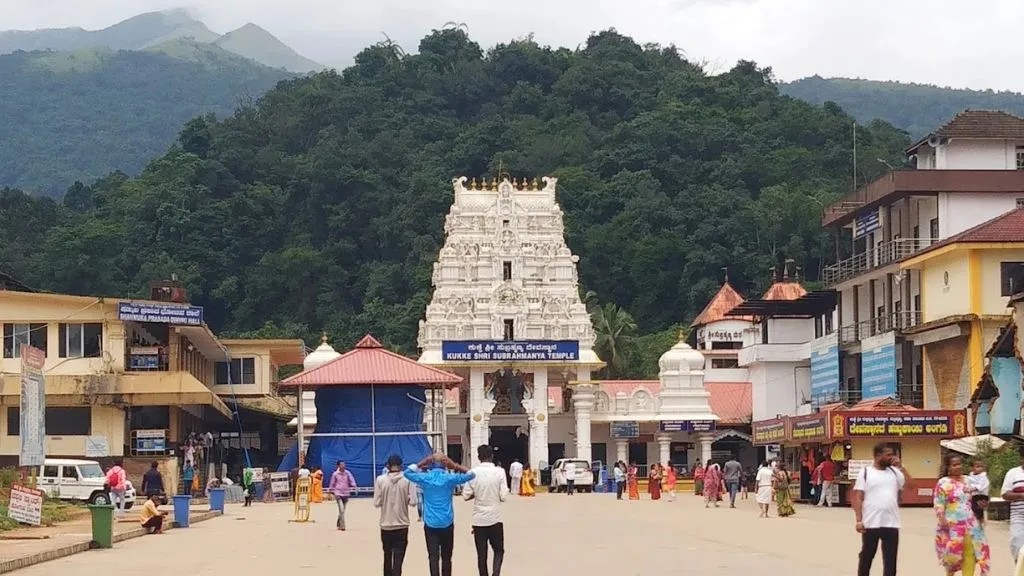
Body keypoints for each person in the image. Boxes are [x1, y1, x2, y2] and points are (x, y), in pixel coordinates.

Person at [405, 453, 475, 576]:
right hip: (446, 522)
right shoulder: (449, 478)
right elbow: (471, 474)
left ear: (431, 464)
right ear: (445, 465)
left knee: (433, 557)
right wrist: (454, 465)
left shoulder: (425, 478)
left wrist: (422, 462)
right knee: (447, 557)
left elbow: (407, 473)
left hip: (430, 523)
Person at [852, 443, 910, 576]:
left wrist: (902, 468)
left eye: (893, 454)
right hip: (871, 523)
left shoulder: (895, 472)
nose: (892, 457)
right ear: (878, 456)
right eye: (888, 455)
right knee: (867, 556)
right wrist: (859, 520)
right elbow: (858, 497)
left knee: (890, 560)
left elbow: (911, 486)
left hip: (891, 523)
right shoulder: (866, 472)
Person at [934, 453, 990, 575]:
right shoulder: (943, 483)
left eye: (959, 464)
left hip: (971, 524)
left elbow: (979, 497)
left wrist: (983, 505)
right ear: (948, 467)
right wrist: (942, 519)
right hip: (951, 525)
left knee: (970, 553)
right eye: (954, 465)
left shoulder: (969, 480)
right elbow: (939, 503)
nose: (958, 467)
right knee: (952, 557)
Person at [465, 445, 510, 576]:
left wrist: (477, 494)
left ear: (478, 457)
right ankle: (496, 573)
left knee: (481, 554)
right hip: (495, 518)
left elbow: (466, 495)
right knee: (498, 550)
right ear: (492, 456)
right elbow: (503, 496)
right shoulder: (500, 472)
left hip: (479, 520)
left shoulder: (472, 473)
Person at [374, 454, 416, 576]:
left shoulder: (380, 480)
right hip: (402, 524)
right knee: (398, 557)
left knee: (387, 555)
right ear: (401, 466)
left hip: (386, 524)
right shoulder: (408, 480)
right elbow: (413, 502)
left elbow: (376, 503)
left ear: (388, 466)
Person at [1000, 444, 1024, 563]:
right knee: (1017, 545)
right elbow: (1005, 494)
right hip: (1018, 517)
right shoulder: (1013, 473)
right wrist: (1021, 496)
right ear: (1022, 458)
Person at [330, 460, 357, 530]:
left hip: (346, 493)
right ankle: (342, 526)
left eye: (344, 464)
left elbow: (352, 480)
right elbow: (332, 483)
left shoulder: (347, 473)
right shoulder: (335, 474)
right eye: (341, 465)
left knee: (342, 511)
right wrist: (331, 491)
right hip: (338, 493)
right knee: (341, 510)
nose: (343, 466)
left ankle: (338, 523)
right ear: (338, 466)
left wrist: (354, 486)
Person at [967, 460, 990, 526]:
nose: (979, 469)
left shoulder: (983, 477)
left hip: (982, 495)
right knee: (973, 508)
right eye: (977, 467)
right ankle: (976, 521)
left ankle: (981, 521)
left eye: (980, 467)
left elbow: (982, 486)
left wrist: (973, 489)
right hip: (974, 495)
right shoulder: (971, 476)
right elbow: (968, 483)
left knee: (979, 508)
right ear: (973, 468)